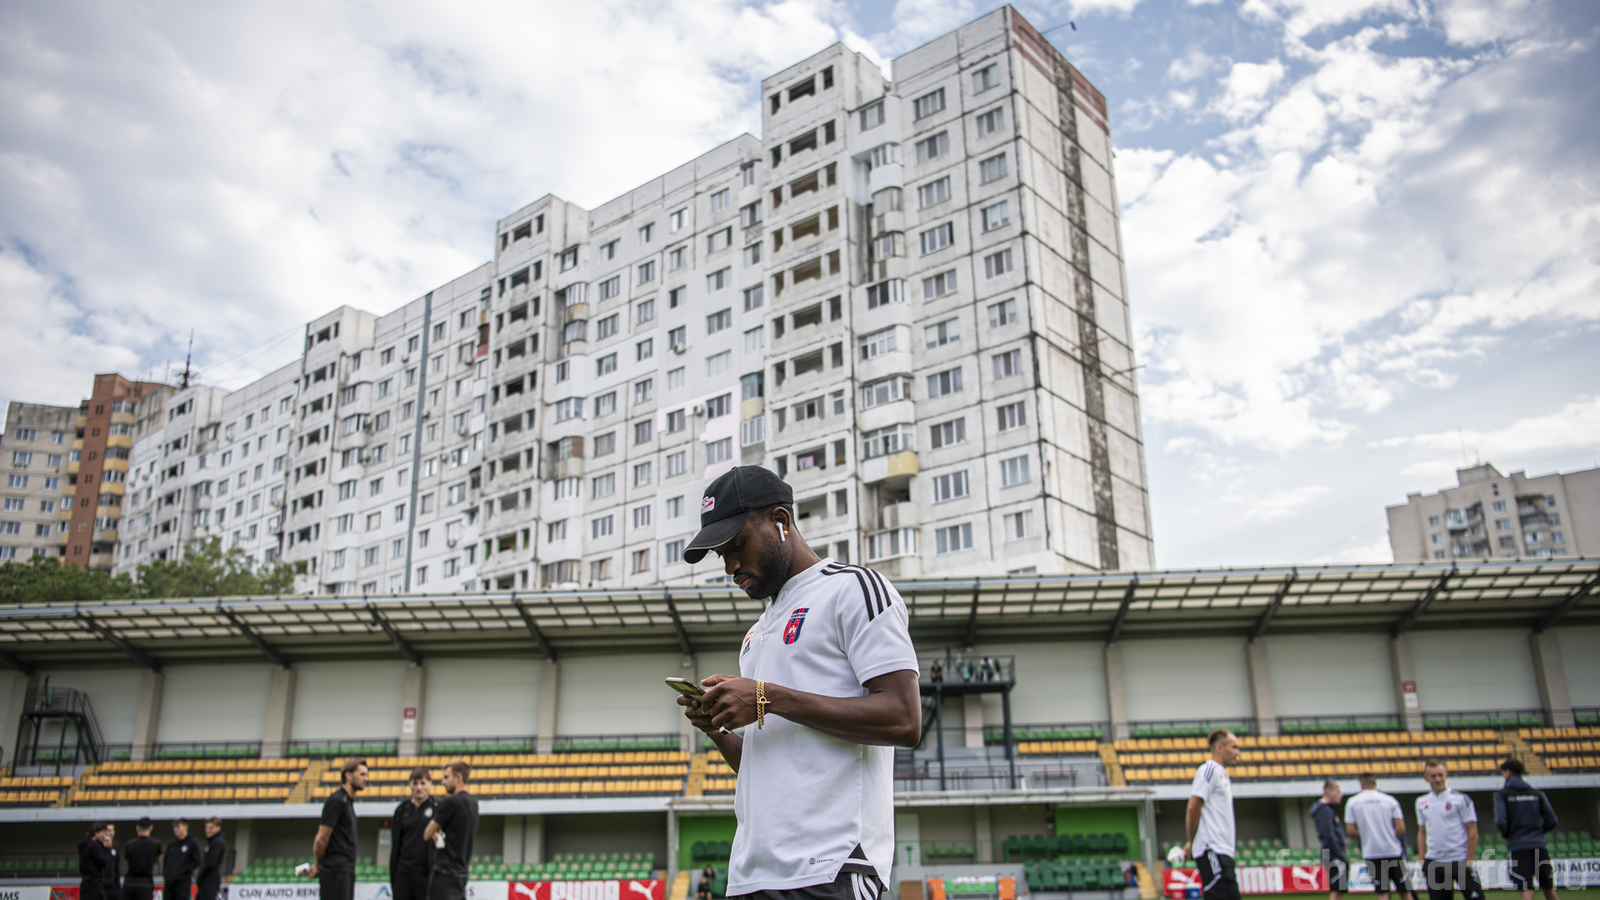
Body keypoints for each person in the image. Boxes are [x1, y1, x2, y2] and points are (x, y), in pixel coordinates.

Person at [676, 466, 921, 900]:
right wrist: (717, 728)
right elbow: (762, 767)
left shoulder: (853, 589)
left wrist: (766, 697)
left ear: (781, 520)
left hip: (831, 868)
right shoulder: (755, 634)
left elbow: (904, 719)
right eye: (720, 554)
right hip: (751, 876)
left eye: (737, 544)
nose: (730, 565)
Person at [1183, 729, 1242, 900]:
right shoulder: (1209, 769)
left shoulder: (1223, 775)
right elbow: (1193, 807)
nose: (1237, 752)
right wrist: (1192, 842)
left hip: (1222, 851)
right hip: (1213, 850)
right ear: (1219, 748)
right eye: (1234, 747)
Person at [1494, 758, 1559, 900]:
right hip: (1539, 845)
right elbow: (1552, 820)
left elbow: (1500, 821)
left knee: (1526, 890)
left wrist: (1509, 834)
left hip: (1519, 846)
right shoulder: (1537, 793)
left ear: (1507, 772)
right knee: (1549, 890)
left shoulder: (1502, 795)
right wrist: (1538, 831)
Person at [1417, 761, 1482, 900]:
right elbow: (1422, 832)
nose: (1438, 779)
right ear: (1426, 778)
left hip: (1460, 859)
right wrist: (1422, 859)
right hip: (1434, 861)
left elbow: (1473, 831)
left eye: (1440, 775)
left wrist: (1469, 860)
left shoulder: (1461, 799)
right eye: (1433, 776)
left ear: (1446, 775)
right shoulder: (1421, 802)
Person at [310, 757, 368, 900]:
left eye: (366, 775)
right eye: (362, 774)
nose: (366, 779)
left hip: (345, 871)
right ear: (348, 775)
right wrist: (317, 865)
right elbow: (321, 839)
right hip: (335, 872)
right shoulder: (337, 800)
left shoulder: (347, 802)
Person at [1346, 773, 1408, 900]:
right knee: (1405, 893)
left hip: (1372, 853)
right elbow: (1401, 828)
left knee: (1382, 893)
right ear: (1375, 783)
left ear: (1361, 783)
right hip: (1393, 851)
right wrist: (1389, 835)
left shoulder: (1353, 802)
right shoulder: (1390, 800)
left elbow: (1350, 830)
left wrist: (1367, 837)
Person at [424, 760, 480, 900]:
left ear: (458, 777)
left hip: (444, 874)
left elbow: (427, 834)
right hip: (461, 873)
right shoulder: (474, 803)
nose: (443, 782)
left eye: (446, 777)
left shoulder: (451, 802)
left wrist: (436, 835)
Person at [390, 766, 437, 900]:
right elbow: (396, 844)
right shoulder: (401, 810)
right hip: (404, 873)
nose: (419, 787)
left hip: (426, 874)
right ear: (410, 785)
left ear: (430, 784)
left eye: (423, 783)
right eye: (415, 783)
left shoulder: (437, 807)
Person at [1309, 779, 1348, 900]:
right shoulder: (1324, 811)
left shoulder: (1327, 810)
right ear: (1329, 792)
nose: (1340, 795)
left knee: (1340, 888)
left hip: (1332, 853)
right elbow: (1329, 835)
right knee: (1337, 888)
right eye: (1338, 792)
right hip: (1333, 853)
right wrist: (1339, 854)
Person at [124, 817, 163, 900]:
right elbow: (158, 860)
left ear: (137, 828)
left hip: (129, 883)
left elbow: (127, 862)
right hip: (146, 883)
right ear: (151, 827)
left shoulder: (129, 844)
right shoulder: (156, 844)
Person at [162, 819, 200, 900]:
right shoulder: (171, 845)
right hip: (169, 885)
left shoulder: (192, 843)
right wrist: (166, 874)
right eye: (174, 827)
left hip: (182, 884)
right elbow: (166, 862)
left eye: (178, 827)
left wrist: (183, 871)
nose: (175, 830)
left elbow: (196, 861)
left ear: (185, 827)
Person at [79, 822, 114, 900]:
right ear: (96, 832)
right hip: (94, 883)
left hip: (85, 883)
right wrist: (107, 849)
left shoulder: (84, 845)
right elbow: (104, 862)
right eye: (103, 833)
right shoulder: (94, 846)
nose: (104, 836)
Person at [196, 817, 226, 900]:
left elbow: (211, 863)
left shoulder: (218, 842)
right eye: (206, 828)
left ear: (218, 828)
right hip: (205, 881)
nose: (207, 830)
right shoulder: (211, 842)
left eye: (211, 828)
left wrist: (202, 874)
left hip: (210, 881)